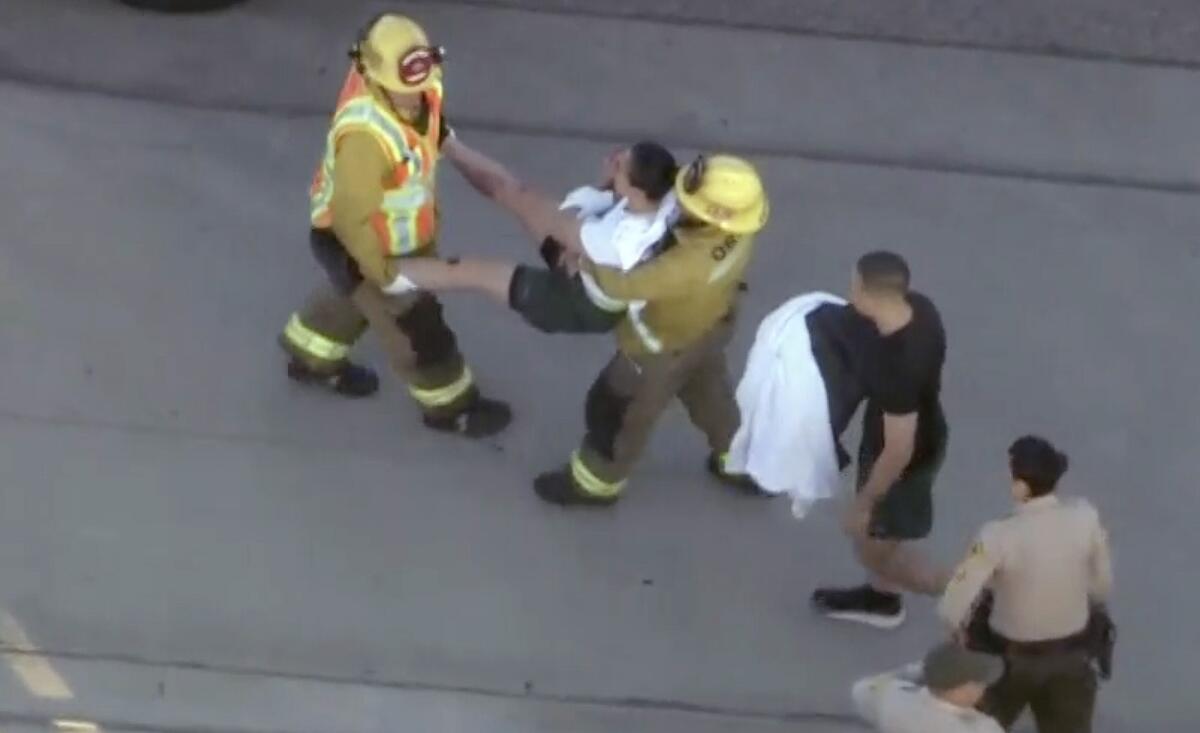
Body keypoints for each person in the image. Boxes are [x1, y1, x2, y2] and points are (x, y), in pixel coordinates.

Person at [401, 153, 771, 505]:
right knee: (712, 396)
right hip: (708, 329)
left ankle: (596, 482)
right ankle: (738, 460)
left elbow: (622, 286)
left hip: (659, 349)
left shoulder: (687, 265)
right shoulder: (734, 234)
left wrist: (585, 263)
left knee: (616, 411)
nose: (680, 196)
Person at [277, 13, 511, 438]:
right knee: (417, 328)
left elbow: (428, 126)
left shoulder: (416, 86)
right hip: (363, 244)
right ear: (373, 73)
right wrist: (383, 273)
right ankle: (451, 407)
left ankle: (311, 356)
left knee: (352, 301)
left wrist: (461, 153)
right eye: (405, 91)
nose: (414, 96)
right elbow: (352, 217)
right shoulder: (366, 137)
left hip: (394, 237)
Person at [939, 436, 1114, 733]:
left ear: (1021, 486)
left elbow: (956, 599)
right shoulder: (1085, 517)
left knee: (981, 725)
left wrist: (956, 633)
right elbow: (1101, 584)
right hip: (1072, 655)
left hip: (1009, 661)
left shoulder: (997, 535)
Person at [812, 251, 950, 627]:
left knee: (874, 548)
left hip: (905, 457)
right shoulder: (921, 309)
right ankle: (882, 599)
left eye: (853, 282)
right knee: (882, 539)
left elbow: (899, 448)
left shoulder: (898, 366)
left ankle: (972, 597)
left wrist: (864, 503)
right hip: (922, 427)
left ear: (866, 293)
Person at [852, 641, 1006, 733]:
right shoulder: (983, 728)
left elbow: (860, 690)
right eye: (980, 682)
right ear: (962, 689)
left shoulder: (890, 696)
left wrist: (921, 671)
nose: (985, 687)